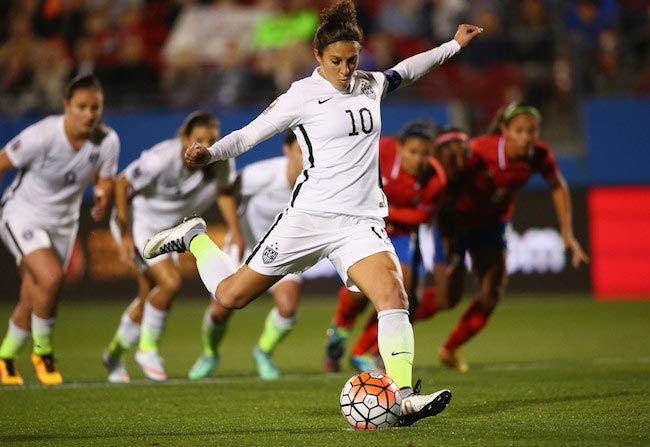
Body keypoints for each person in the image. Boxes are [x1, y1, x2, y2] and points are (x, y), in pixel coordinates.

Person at [143, 0, 482, 426]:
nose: (345, 70)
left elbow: (408, 70)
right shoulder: (300, 96)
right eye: (337, 61)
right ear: (318, 57)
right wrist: (210, 153)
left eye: (352, 60)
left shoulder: (368, 84)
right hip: (309, 218)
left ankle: (405, 394)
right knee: (230, 297)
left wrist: (452, 44)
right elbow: (249, 136)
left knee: (394, 298)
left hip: (360, 223)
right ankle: (195, 237)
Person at [425, 104, 590, 372]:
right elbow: (443, 181)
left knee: (492, 293)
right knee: (447, 299)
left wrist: (568, 233)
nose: (526, 137)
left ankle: (450, 349)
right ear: (504, 131)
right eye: (520, 130)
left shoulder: (538, 154)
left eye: (531, 131)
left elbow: (558, 184)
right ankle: (381, 335)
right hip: (457, 223)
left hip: (491, 226)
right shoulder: (479, 150)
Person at [101, 111, 242, 383]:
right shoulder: (160, 159)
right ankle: (148, 349)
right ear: (184, 139)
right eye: (198, 139)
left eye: (211, 139)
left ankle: (114, 355)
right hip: (140, 222)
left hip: (171, 232)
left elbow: (224, 192)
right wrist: (125, 232)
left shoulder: (221, 161)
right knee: (170, 283)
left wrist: (235, 231)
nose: (205, 145)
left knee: (149, 296)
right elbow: (122, 183)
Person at [0, 75, 120, 385]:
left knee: (34, 296)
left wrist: (103, 194)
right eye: (81, 106)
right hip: (22, 214)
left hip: (63, 223)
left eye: (95, 107)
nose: (89, 114)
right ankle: (43, 352)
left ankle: (6, 357)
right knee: (52, 277)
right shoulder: (42, 135)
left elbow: (105, 178)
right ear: (67, 106)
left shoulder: (107, 140)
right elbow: (2, 161)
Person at [326, 126, 472, 371]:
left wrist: (384, 210)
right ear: (400, 147)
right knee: (360, 290)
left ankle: (367, 351)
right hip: (366, 224)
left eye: (425, 153)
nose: (418, 159)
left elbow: (420, 218)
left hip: (403, 234)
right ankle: (340, 328)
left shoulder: (436, 180)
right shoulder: (381, 150)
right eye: (413, 151)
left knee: (404, 291)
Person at [188, 130, 326, 381]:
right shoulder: (261, 174)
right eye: (299, 150)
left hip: (281, 251)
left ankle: (263, 352)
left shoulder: (318, 182)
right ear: (287, 151)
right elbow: (225, 190)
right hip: (244, 246)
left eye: (309, 150)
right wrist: (236, 232)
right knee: (220, 310)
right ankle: (210, 353)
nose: (305, 156)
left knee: (288, 307)